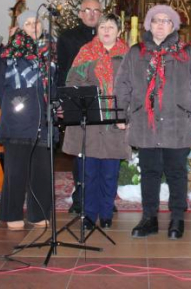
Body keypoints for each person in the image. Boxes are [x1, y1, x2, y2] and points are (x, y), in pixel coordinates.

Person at [115, 5, 191, 240]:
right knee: (149, 172)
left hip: (178, 122)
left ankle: (177, 218)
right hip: (144, 122)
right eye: (155, 20)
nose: (160, 24)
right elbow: (123, 85)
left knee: (176, 171)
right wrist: (120, 114)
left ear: (173, 26)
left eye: (165, 21)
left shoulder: (186, 52)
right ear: (149, 25)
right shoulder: (136, 52)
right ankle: (149, 218)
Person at [62, 14, 130, 229]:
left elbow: (134, 88)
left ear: (119, 31)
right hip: (89, 122)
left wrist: (126, 116)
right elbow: (72, 80)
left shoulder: (128, 55)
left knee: (110, 173)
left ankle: (106, 213)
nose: (106, 31)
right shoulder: (86, 52)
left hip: (115, 122)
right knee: (89, 172)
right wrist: (91, 93)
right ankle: (89, 215)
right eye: (102, 27)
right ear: (97, 30)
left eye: (111, 27)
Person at [0, 10, 54, 230]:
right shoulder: (8, 53)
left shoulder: (50, 53)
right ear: (20, 28)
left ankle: (38, 214)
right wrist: (15, 105)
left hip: (43, 117)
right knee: (16, 170)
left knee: (41, 170)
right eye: (27, 23)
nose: (33, 26)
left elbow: (55, 85)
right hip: (17, 117)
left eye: (36, 22)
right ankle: (12, 213)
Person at [57, 0, 102, 213]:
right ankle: (80, 198)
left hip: (102, 99)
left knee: (103, 149)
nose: (92, 14)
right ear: (80, 13)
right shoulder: (67, 37)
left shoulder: (107, 35)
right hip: (77, 98)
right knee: (80, 150)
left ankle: (103, 196)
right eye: (87, 10)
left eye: (96, 10)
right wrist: (62, 101)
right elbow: (62, 70)